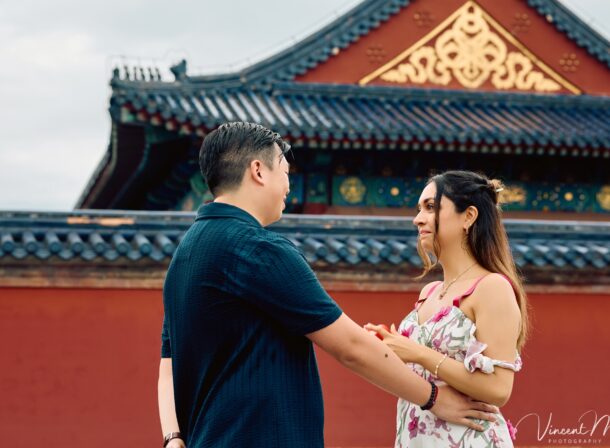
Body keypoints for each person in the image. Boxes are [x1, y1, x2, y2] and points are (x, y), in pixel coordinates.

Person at [158, 123, 497, 448]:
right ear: (258, 171)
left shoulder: (184, 256)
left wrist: (173, 436)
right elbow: (350, 345)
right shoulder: (259, 249)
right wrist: (433, 397)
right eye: (285, 173)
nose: (288, 186)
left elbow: (168, 366)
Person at [366, 170, 528, 447]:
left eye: (430, 207)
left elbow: (498, 389)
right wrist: (386, 346)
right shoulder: (428, 292)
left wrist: (416, 352)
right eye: (419, 209)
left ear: (469, 216)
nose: (417, 219)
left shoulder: (491, 288)